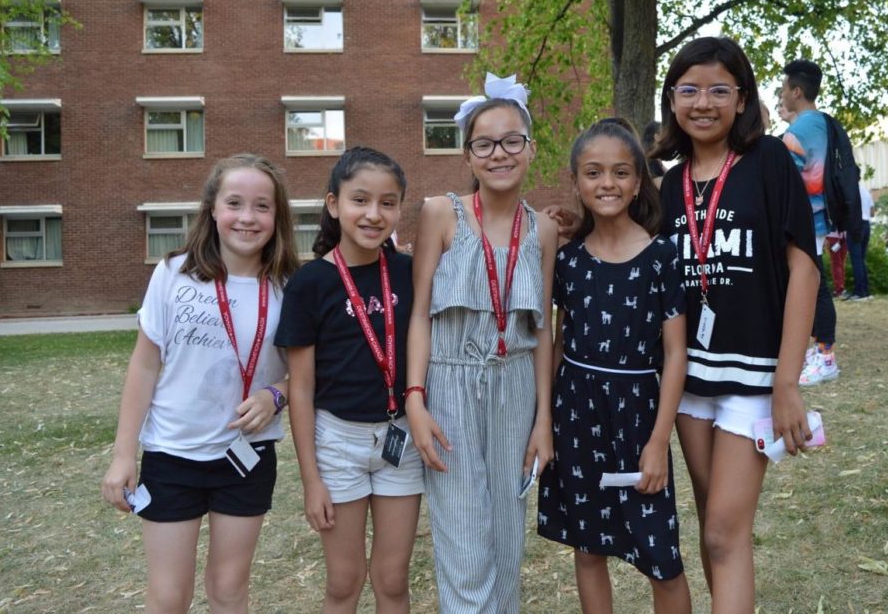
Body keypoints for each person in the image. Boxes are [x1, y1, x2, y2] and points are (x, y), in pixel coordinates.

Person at [651, 36, 818, 612]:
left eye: (719, 89)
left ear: (742, 98)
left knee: (724, 532)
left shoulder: (769, 161)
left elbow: (805, 270)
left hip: (755, 378)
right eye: (689, 89)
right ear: (672, 100)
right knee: (715, 531)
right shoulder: (668, 186)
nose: (703, 102)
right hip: (690, 382)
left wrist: (787, 382)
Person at [101, 153, 299, 614]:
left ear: (277, 216)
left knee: (229, 590)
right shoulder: (173, 274)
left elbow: (304, 374)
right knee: (169, 598)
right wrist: (123, 454)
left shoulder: (289, 286)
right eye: (234, 203)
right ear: (212, 209)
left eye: (262, 206)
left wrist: (276, 394)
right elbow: (144, 367)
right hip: (173, 454)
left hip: (247, 457)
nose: (247, 218)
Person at [405, 73, 557, 613]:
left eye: (511, 140)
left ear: (530, 149)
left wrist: (543, 419)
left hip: (515, 389)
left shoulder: (542, 231)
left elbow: (541, 331)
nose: (499, 153)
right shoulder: (441, 214)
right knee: (465, 541)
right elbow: (420, 312)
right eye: (485, 143)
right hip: (448, 385)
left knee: (504, 541)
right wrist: (415, 398)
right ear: (468, 155)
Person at [538, 119, 691, 613]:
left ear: (639, 180)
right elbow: (557, 343)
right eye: (593, 173)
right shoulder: (569, 262)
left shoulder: (662, 258)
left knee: (660, 557)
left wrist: (657, 442)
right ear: (578, 181)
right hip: (576, 415)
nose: (607, 184)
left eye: (621, 172)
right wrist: (544, 422)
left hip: (638, 417)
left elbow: (675, 355)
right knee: (588, 548)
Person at [275, 147, 422, 613]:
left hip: (402, 440)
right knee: (344, 581)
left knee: (393, 581)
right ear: (334, 204)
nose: (374, 214)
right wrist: (310, 480)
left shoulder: (409, 271)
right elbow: (300, 388)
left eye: (388, 202)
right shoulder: (309, 283)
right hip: (338, 443)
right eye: (360, 200)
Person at [780, 58, 840, 386]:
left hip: (806, 218)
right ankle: (819, 351)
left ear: (797, 91)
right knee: (813, 284)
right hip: (818, 217)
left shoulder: (799, 129)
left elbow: (788, 179)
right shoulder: (822, 124)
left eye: (784, 89)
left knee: (814, 287)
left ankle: (825, 354)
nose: (782, 95)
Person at [846, 184, 875, 301]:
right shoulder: (866, 190)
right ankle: (865, 291)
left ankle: (859, 292)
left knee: (856, 259)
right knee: (861, 259)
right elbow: (873, 212)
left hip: (855, 224)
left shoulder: (850, 190)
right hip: (866, 224)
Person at [823, 231, 847, 299]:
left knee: (838, 263)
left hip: (838, 237)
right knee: (839, 263)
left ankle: (840, 289)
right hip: (838, 237)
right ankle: (840, 288)